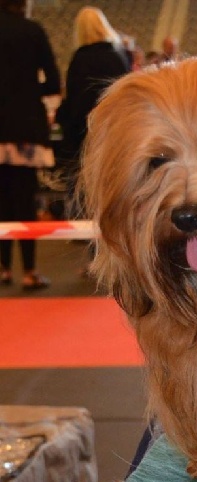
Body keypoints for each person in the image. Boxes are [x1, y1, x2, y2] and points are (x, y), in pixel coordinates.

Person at [0, 0, 61, 289]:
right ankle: (30, 270)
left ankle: (2, 269)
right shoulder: (32, 31)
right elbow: (52, 83)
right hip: (24, 127)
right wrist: (26, 87)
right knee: (24, 200)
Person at [56, 6, 129, 223]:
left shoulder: (80, 58)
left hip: (84, 135)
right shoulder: (119, 55)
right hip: (116, 133)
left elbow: (74, 101)